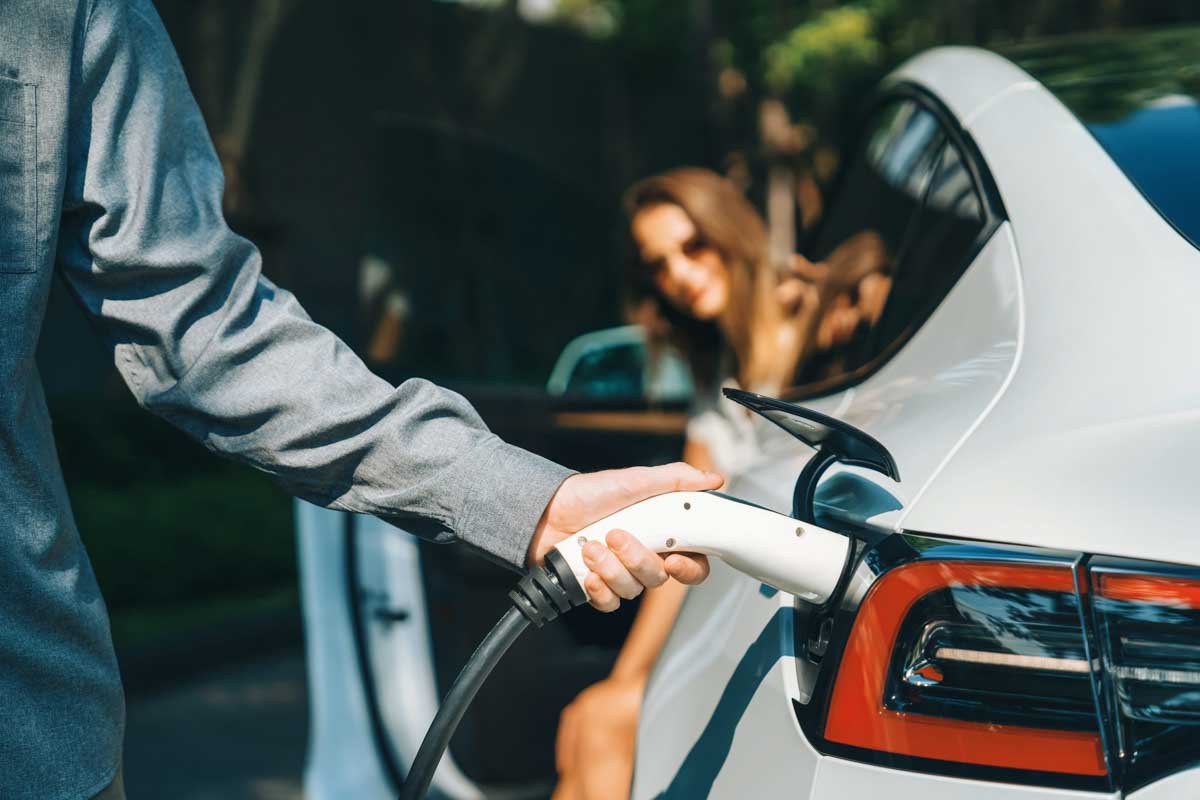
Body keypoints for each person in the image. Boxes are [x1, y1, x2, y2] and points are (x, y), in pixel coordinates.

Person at [0, 5, 720, 800]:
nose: (681, 279)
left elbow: (203, 329)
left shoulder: (69, 15)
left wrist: (531, 502)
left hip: (33, 740)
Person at [553, 167, 891, 800]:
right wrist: (630, 680)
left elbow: (875, 277)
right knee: (589, 718)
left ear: (729, 231)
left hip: (799, 624)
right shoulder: (718, 376)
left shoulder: (821, 320)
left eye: (694, 246)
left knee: (600, 727)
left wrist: (859, 288)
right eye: (659, 264)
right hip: (723, 606)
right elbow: (680, 522)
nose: (680, 274)